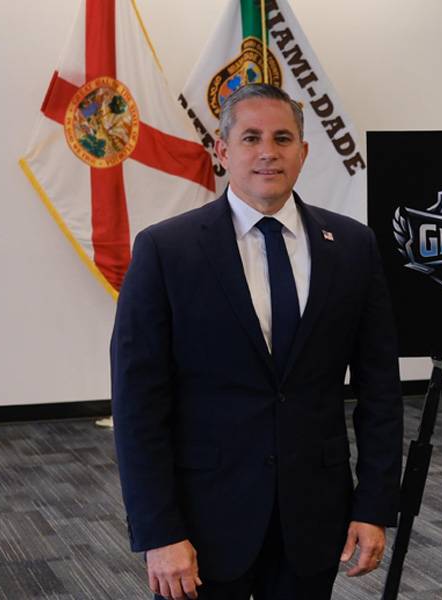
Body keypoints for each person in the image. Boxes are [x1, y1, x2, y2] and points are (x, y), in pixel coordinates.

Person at [111, 83, 403, 600]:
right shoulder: (165, 250)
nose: (268, 151)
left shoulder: (353, 247)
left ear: (303, 152)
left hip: (314, 519)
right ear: (223, 151)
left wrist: (374, 507)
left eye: (283, 138)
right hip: (202, 525)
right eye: (251, 137)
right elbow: (138, 406)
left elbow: (380, 391)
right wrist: (159, 532)